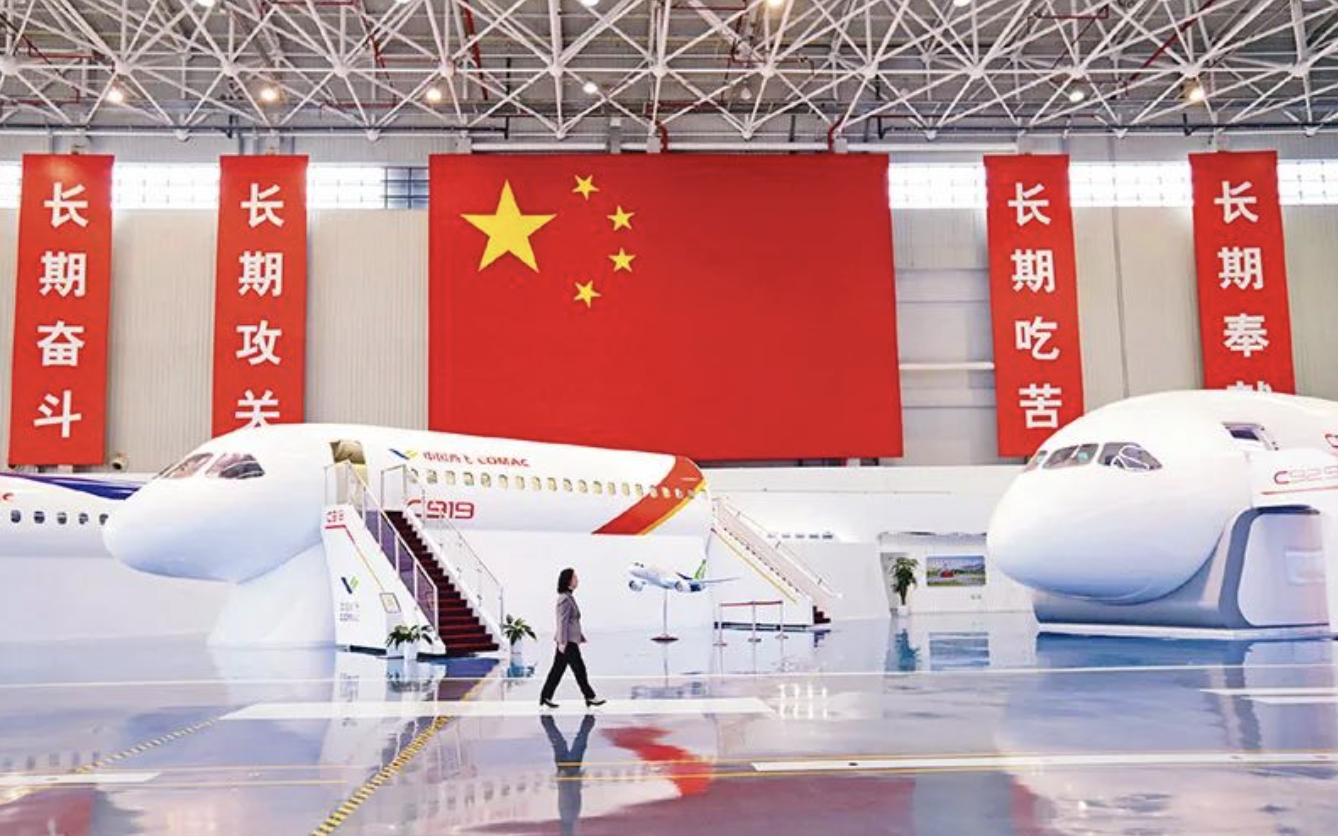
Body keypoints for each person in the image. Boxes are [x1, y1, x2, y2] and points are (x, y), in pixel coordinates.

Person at [540, 568, 605, 709]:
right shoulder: (564, 599)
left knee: (557, 670)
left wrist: (579, 636)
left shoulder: (568, 597)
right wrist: (562, 642)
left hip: (568, 640)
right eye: (574, 577)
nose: (577, 580)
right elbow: (562, 622)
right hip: (567, 642)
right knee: (579, 670)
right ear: (568, 581)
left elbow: (571, 622)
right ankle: (590, 697)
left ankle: (545, 697)